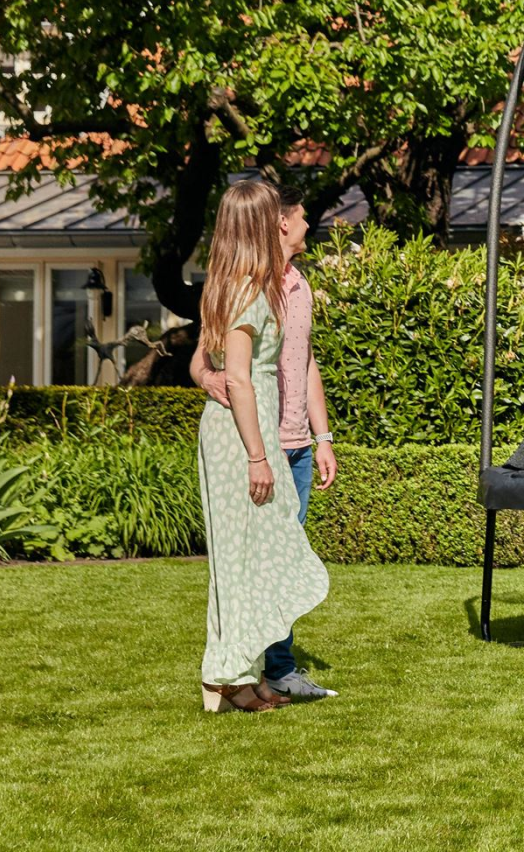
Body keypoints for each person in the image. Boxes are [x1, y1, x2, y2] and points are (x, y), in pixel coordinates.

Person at [192, 183, 340, 701]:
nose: (301, 223)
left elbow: (296, 361)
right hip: (248, 437)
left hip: (268, 435)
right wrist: (258, 455)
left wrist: (321, 436)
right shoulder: (246, 289)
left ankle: (241, 675)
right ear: (266, 223)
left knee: (253, 561)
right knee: (246, 562)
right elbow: (231, 374)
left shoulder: (251, 285)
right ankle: (235, 675)